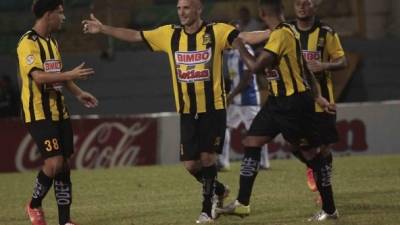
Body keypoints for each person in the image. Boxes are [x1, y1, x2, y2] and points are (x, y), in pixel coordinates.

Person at [82, 0, 269, 223]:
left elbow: (247, 38)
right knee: (191, 164)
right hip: (187, 110)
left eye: (186, 8)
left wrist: (273, 31)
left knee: (208, 157)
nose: (181, 12)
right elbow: (135, 36)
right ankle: (219, 190)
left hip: (213, 108)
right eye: (179, 8)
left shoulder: (216, 31)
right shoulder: (169, 34)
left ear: (198, 9)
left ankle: (206, 209)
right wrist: (103, 29)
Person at [217, 0, 339, 221]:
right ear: (282, 12)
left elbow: (255, 67)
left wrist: (238, 45)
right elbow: (304, 68)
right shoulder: (286, 32)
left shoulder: (282, 35)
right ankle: (242, 202)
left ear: (262, 13)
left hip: (294, 104)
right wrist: (319, 97)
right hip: (276, 103)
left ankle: (330, 209)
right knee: (251, 142)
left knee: (310, 154)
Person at [17, 1, 98, 225]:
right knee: (53, 163)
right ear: (49, 14)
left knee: (63, 164)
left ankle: (65, 221)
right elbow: (39, 77)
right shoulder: (27, 43)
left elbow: (57, 74)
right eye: (60, 13)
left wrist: (79, 92)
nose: (63, 17)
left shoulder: (51, 42)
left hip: (59, 111)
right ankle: (33, 204)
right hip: (38, 113)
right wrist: (71, 74)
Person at [290, 0, 347, 202]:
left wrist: (323, 65)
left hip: (323, 99)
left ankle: (325, 193)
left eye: (306, 3)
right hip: (296, 101)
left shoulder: (326, 32)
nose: (302, 6)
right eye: (298, 3)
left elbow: (342, 60)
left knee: (324, 148)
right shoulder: (287, 32)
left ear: (315, 6)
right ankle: (311, 166)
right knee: (294, 144)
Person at [219, 23, 270, 172]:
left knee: (257, 131)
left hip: (249, 100)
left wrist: (232, 94)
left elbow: (247, 77)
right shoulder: (230, 54)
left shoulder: (246, 50)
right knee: (224, 126)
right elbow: (233, 77)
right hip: (236, 101)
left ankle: (264, 162)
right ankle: (223, 162)